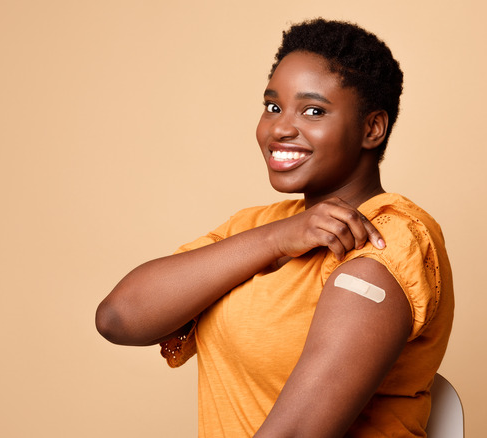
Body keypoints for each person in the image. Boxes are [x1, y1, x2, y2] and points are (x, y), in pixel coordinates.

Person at [96, 18, 454, 437]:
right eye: (273, 107)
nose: (280, 128)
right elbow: (119, 317)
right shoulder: (258, 227)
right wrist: (277, 238)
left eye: (313, 110)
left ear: (372, 128)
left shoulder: (385, 242)